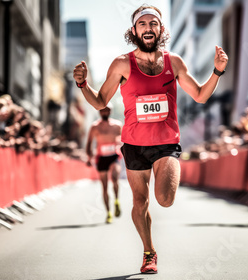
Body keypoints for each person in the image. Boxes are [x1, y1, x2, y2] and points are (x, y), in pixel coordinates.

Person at [73, 4, 228, 274]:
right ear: (133, 30)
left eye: (153, 24)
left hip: (167, 143)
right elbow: (100, 102)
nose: (148, 28)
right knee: (140, 202)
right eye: (142, 24)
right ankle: (149, 252)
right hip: (134, 145)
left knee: (165, 199)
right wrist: (83, 84)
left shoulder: (174, 62)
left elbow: (201, 95)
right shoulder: (122, 63)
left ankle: (151, 240)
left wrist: (216, 72)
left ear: (161, 29)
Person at [85, 104, 123, 224]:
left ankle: (116, 200)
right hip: (101, 157)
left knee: (115, 178)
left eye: (107, 110)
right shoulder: (95, 127)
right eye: (102, 111)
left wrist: (120, 145)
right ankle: (108, 213)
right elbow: (89, 143)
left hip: (114, 156)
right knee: (105, 186)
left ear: (110, 111)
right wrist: (89, 157)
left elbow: (124, 139)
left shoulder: (117, 125)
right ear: (99, 112)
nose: (105, 112)